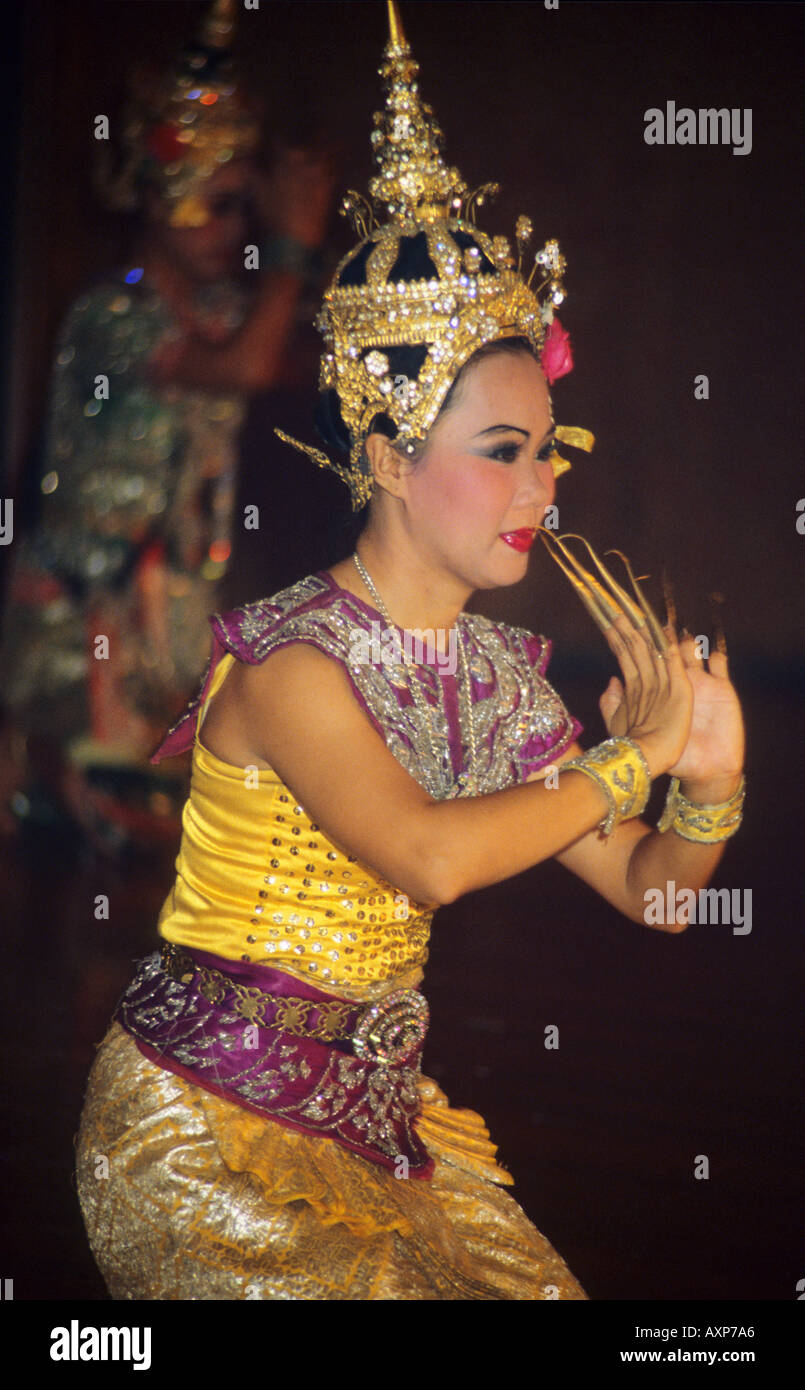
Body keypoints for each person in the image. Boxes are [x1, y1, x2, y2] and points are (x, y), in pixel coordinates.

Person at [75, 2, 745, 1299]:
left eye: (548, 448)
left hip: (373, 1128)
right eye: (503, 452)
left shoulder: (498, 675)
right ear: (384, 456)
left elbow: (662, 892)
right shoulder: (291, 667)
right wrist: (629, 757)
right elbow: (431, 861)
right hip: (199, 1126)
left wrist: (711, 777)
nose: (539, 485)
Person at [0, 0, 333, 848]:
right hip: (86, 626)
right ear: (152, 197)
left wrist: (305, 252)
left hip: (174, 615)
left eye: (242, 208)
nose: (234, 229)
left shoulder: (228, 308)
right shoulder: (113, 313)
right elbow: (245, 368)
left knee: (201, 818)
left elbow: (292, 356)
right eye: (214, 206)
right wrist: (289, 251)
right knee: (127, 825)